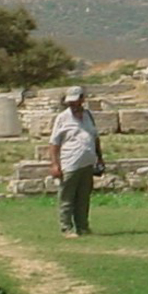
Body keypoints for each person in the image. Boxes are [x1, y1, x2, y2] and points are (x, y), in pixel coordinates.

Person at [49, 86, 105, 237]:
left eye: (75, 101)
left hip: (87, 163)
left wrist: (99, 157)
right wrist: (55, 164)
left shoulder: (88, 115)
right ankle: (66, 228)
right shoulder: (62, 118)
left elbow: (94, 137)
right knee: (67, 197)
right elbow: (54, 143)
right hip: (70, 163)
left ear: (82, 100)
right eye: (70, 102)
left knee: (83, 198)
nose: (73, 105)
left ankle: (83, 227)